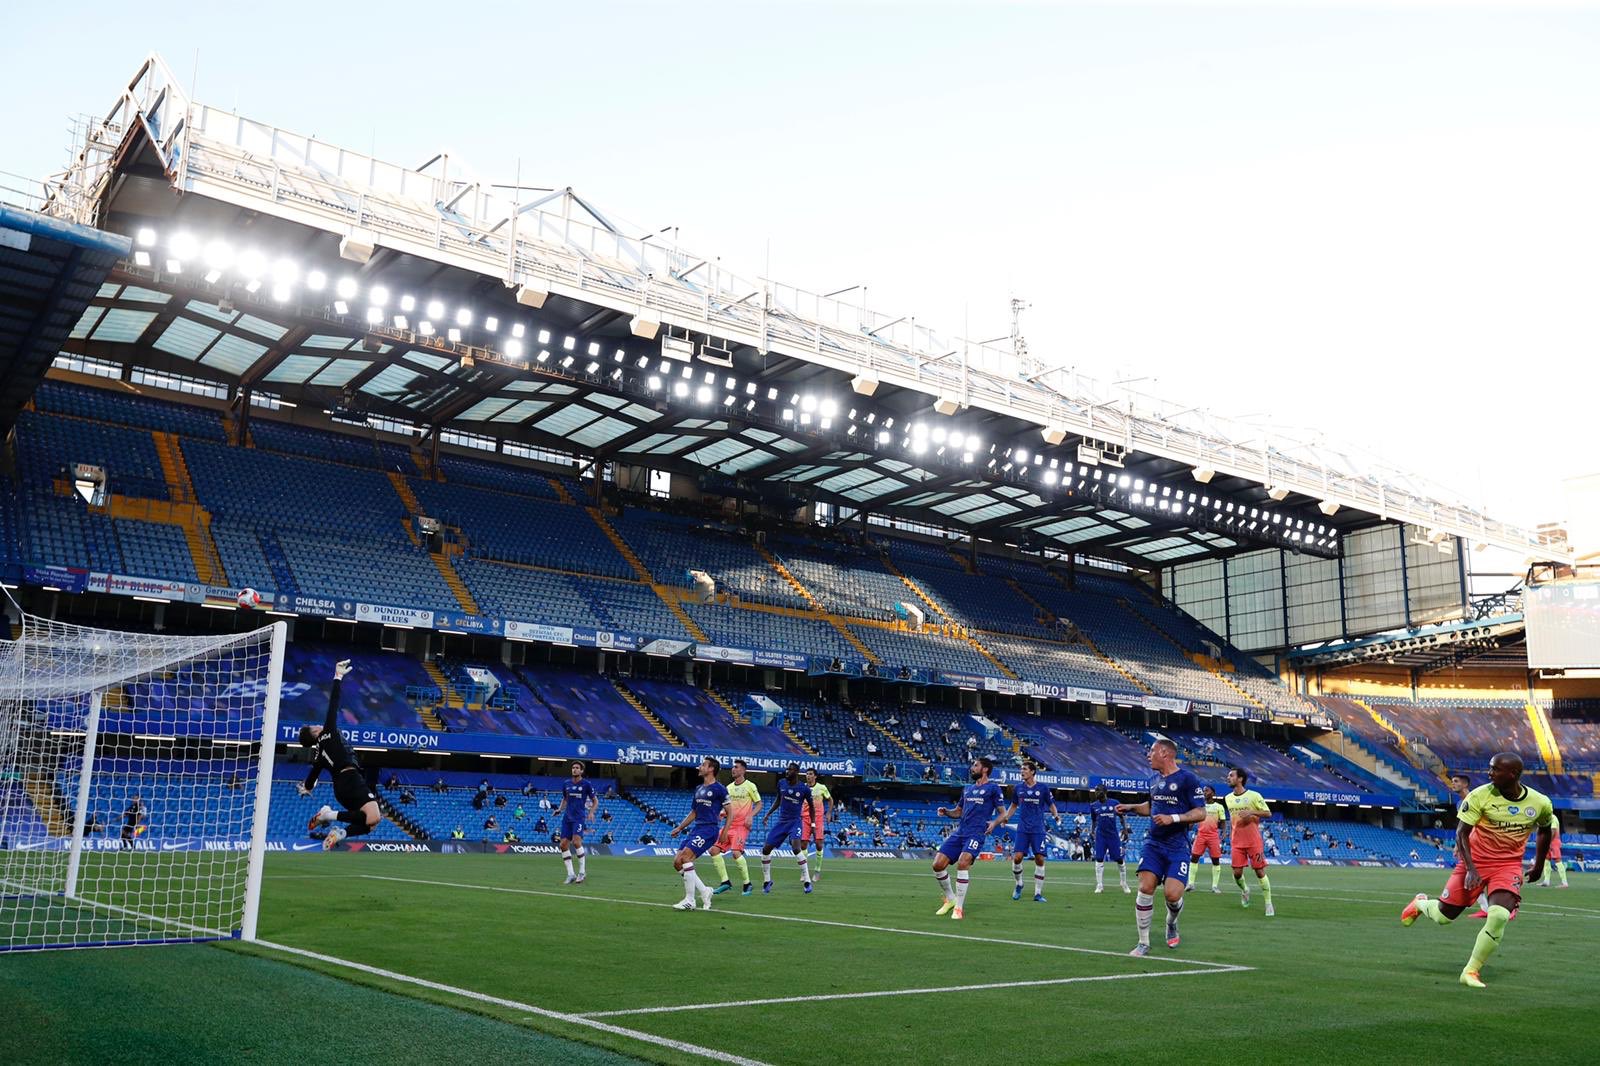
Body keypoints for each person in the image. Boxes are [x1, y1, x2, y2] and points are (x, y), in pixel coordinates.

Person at [1401, 752, 1553, 988]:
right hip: (1475, 862)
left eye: (1495, 769)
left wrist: (1539, 864)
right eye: (1490, 768)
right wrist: (1471, 869)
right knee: (1443, 917)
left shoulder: (1539, 802)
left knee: (1500, 915)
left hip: (1508, 865)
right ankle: (1420, 904)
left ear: (1512, 774)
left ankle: (1471, 971)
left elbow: (1545, 830)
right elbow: (1461, 833)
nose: (1489, 773)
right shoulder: (1479, 796)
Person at [1117, 738, 1206, 955]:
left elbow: (1201, 812)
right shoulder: (1153, 780)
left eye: (1152, 751)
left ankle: (1171, 923)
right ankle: (1143, 942)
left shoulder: (1188, 779)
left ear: (1165, 753)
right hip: (1153, 844)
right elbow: (1152, 806)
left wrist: (1172, 818)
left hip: (1177, 847)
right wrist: (1131, 807)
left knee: (1173, 895)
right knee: (1145, 887)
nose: (1148, 755)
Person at [301, 660, 384, 849]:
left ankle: (341, 832)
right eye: (314, 726)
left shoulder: (319, 753)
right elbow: (333, 704)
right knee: (374, 817)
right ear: (314, 733)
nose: (318, 725)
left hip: (341, 789)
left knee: (370, 823)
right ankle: (327, 815)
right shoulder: (328, 732)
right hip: (350, 778)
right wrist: (338, 677)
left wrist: (307, 787)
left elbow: (311, 777)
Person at [931, 756, 1007, 920]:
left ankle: (958, 908)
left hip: (976, 833)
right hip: (960, 832)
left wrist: (994, 824)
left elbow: (1003, 813)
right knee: (937, 865)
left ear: (985, 769)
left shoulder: (993, 788)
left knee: (963, 862)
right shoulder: (967, 789)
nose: (972, 768)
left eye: (975, 765)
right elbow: (958, 811)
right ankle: (950, 899)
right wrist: (947, 812)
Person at [668, 757, 732, 911]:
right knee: (677, 862)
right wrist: (680, 827)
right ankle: (705, 891)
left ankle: (690, 900)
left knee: (685, 858)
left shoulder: (719, 789)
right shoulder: (698, 789)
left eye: (703, 765)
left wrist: (725, 832)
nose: (699, 767)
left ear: (711, 769)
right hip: (697, 829)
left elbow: (730, 812)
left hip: (709, 829)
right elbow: (694, 812)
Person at [999, 762, 1061, 902]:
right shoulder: (1018, 788)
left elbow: (1051, 804)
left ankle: (1038, 893)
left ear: (1032, 772)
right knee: (1017, 858)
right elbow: (1014, 805)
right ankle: (1019, 884)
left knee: (1039, 858)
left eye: (1025, 769)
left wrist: (1056, 815)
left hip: (1038, 829)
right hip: (1023, 828)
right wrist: (1006, 818)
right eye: (1021, 769)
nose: (1022, 771)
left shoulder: (1043, 788)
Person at [1224, 769, 1275, 916]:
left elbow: (1268, 813)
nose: (1228, 778)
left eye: (1231, 775)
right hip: (1236, 841)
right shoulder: (1228, 798)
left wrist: (1251, 812)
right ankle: (1245, 890)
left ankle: (1268, 903)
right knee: (1237, 873)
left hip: (1253, 841)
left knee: (1259, 872)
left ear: (1240, 779)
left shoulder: (1254, 796)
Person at [759, 762, 815, 893]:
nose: (787, 771)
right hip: (781, 822)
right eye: (787, 769)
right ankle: (767, 881)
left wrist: (812, 824)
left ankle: (807, 881)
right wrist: (768, 814)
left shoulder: (804, 789)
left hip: (795, 822)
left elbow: (812, 807)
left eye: (790, 770)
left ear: (796, 772)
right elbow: (779, 799)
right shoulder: (781, 783)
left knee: (796, 848)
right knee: (766, 849)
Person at [712, 759, 762, 895]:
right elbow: (728, 806)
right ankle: (725, 882)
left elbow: (759, 804)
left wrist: (750, 815)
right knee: (713, 850)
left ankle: (747, 884)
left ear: (743, 770)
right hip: (729, 825)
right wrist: (722, 813)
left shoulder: (750, 786)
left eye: (736, 767)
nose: (733, 769)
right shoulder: (728, 788)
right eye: (733, 767)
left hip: (741, 826)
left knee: (735, 853)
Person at [555, 761, 598, 885]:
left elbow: (595, 801)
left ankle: (582, 872)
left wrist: (591, 812)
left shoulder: (586, 784)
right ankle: (570, 874)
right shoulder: (566, 784)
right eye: (573, 768)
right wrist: (559, 809)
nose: (574, 769)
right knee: (563, 845)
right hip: (567, 818)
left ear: (581, 771)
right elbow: (565, 799)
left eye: (577, 768)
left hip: (579, 818)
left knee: (576, 842)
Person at [1088, 785, 1130, 893]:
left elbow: (1122, 817)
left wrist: (1125, 829)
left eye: (1098, 791)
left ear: (1105, 792)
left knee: (1119, 859)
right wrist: (1092, 831)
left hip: (1113, 836)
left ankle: (1124, 883)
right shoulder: (1093, 806)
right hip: (1100, 836)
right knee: (1099, 858)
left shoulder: (1114, 803)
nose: (1096, 793)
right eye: (1096, 791)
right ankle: (1099, 885)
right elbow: (1093, 821)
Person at [1187, 785, 1228, 895]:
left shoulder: (1219, 807)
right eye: (1203, 791)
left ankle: (1214, 886)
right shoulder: (1200, 805)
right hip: (1200, 835)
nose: (1204, 792)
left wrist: (1224, 832)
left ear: (1213, 793)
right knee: (1194, 858)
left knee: (1215, 860)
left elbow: (1223, 822)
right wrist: (1189, 825)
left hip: (1213, 836)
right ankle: (1191, 884)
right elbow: (1193, 819)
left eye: (1207, 790)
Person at [799, 768, 832, 881]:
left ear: (815, 776)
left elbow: (830, 800)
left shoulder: (822, 787)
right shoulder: (802, 787)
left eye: (811, 774)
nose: (808, 776)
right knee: (803, 844)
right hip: (805, 818)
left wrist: (828, 813)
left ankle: (817, 871)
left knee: (818, 844)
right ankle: (804, 872)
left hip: (818, 818)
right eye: (807, 774)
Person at [1539, 823, 1569, 888]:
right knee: (1546, 860)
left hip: (1553, 842)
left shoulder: (1553, 818)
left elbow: (1553, 831)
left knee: (1558, 860)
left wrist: (1547, 841)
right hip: (1546, 841)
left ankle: (1564, 883)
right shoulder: (1545, 818)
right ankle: (1546, 881)